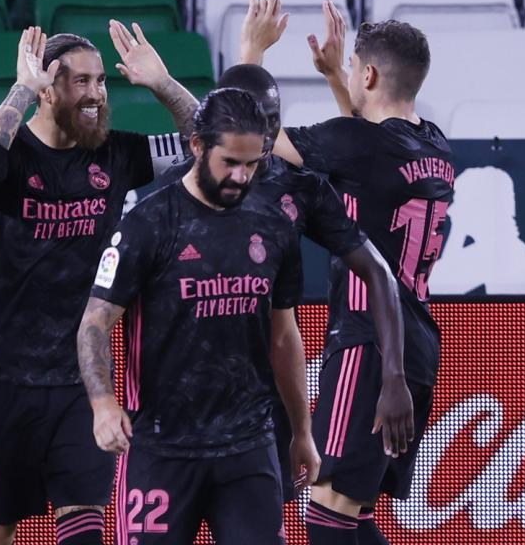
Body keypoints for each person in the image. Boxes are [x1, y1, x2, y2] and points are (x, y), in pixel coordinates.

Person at [0, 24, 199, 545]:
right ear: (48, 89)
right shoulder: (10, 156)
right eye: (80, 82)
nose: (94, 94)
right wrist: (21, 87)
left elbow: (207, 144)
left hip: (82, 380)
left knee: (84, 525)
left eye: (101, 82)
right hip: (1, 377)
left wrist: (162, 83)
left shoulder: (116, 154)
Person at [242, 0, 456, 544]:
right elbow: (366, 157)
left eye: (354, 65)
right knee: (355, 513)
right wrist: (338, 76)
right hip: (415, 347)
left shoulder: (357, 145)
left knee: (326, 513)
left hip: (367, 345)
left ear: (370, 76)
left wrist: (252, 53)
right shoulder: (435, 144)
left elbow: (253, 142)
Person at [155, 60, 405, 504]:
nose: (268, 135)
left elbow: (378, 273)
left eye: (275, 121)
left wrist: (393, 374)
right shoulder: (174, 191)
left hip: (263, 404)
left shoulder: (299, 190)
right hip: (184, 399)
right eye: (257, 121)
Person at [77, 87, 305, 544]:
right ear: (198, 146)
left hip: (249, 446)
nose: (243, 176)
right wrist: (103, 403)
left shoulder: (275, 224)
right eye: (231, 163)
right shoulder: (148, 224)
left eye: (253, 163)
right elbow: (94, 324)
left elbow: (283, 338)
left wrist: (302, 431)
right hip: (161, 450)